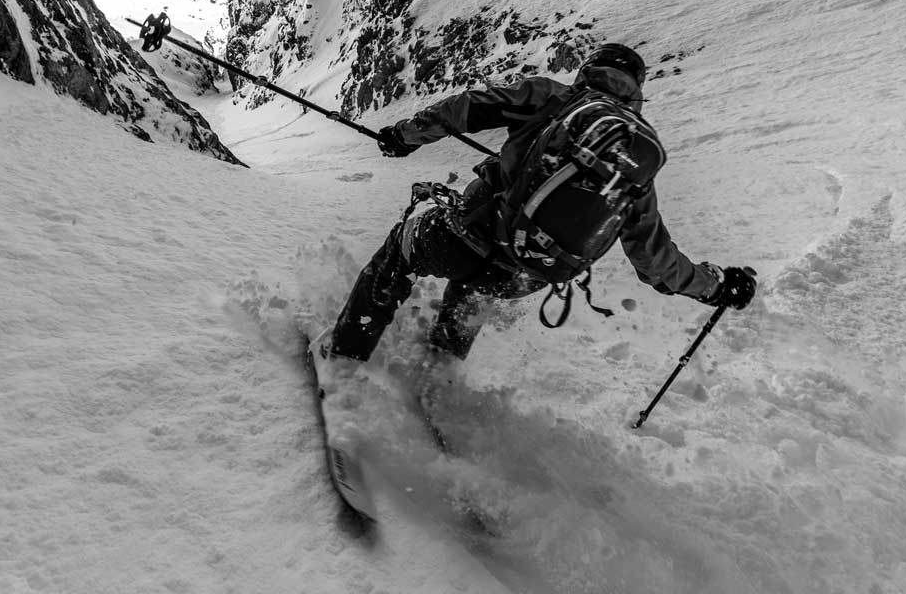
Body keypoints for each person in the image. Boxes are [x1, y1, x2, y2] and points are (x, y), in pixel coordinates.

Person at [319, 42, 756, 368]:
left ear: (589, 72)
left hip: (463, 237)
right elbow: (652, 258)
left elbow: (463, 109)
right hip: (528, 273)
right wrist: (715, 287)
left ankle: (344, 355)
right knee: (474, 293)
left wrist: (402, 136)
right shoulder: (631, 161)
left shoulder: (551, 96)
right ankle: (441, 376)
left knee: (401, 251)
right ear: (636, 92)